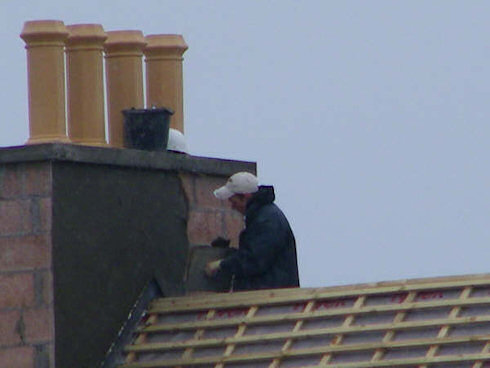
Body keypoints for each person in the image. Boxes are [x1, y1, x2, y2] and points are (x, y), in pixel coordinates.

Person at [205, 172, 300, 291]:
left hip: (272, 299)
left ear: (246, 197)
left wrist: (223, 265)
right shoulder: (262, 216)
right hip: (269, 295)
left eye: (234, 202)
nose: (233, 207)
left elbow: (255, 260)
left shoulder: (268, 220)